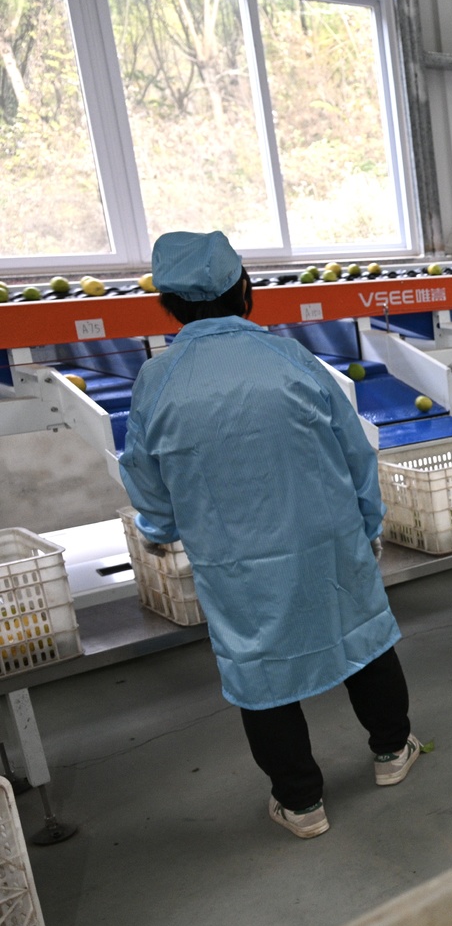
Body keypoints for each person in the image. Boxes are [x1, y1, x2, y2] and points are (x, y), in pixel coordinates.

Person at [120, 231, 420, 840]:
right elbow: (354, 449)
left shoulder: (158, 380)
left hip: (235, 559)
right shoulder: (290, 359)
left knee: (260, 671)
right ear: (245, 289)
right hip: (326, 538)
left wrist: (159, 529)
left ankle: (301, 802)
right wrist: (368, 522)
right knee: (360, 636)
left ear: (168, 304)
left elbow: (146, 479)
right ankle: (392, 751)